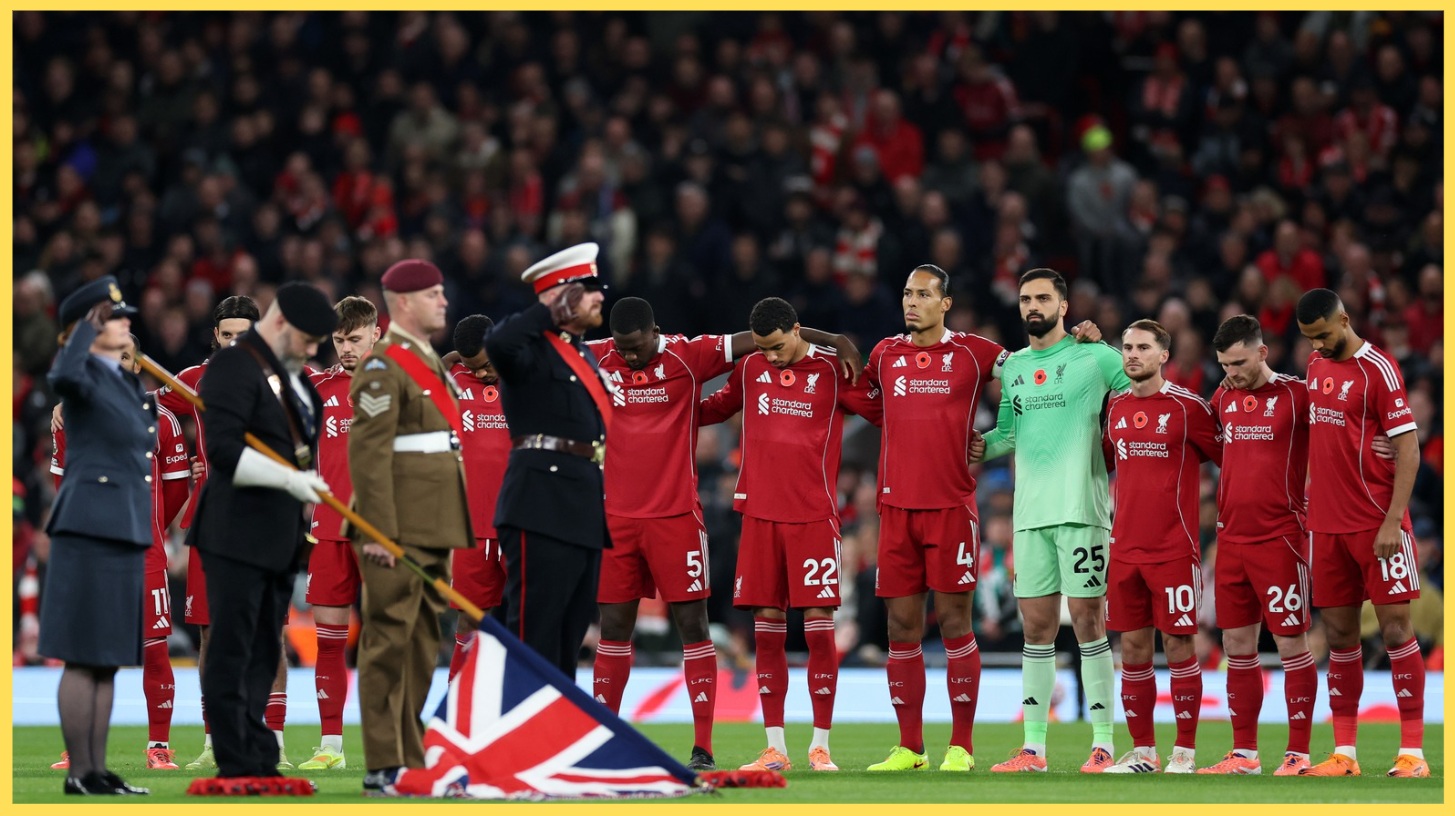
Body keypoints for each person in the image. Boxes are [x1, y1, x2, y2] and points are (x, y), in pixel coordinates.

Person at [587, 296, 862, 773]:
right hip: (625, 519)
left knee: (702, 626)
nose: (630, 357)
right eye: (623, 349)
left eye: (638, 347)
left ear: (656, 331)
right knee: (615, 630)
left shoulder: (689, 355)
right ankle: (606, 739)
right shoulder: (597, 355)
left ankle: (722, 746)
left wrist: (832, 339)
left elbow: (766, 337)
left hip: (688, 518)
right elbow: (538, 347)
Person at [699, 297, 882, 773]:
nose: (772, 357)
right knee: (766, 632)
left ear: (797, 331)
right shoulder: (750, 368)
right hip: (759, 517)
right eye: (764, 349)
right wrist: (654, 404)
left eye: (779, 347)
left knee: (820, 630)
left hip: (814, 518)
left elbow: (885, 411)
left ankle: (820, 744)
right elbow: (712, 409)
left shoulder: (832, 371)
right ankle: (775, 745)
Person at [971, 267, 1130, 773]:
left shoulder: (1094, 356)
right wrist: (978, 447)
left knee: (1089, 621)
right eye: (1025, 299)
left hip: (1082, 510)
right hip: (1030, 514)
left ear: (1064, 306)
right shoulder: (1013, 367)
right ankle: (1033, 748)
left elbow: (1143, 388)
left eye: (1043, 298)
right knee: (1036, 629)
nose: (1032, 306)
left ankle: (1103, 743)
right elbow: (1009, 432)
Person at [189, 282, 335, 781]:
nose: (316, 350)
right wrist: (292, 479)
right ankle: (234, 762)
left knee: (263, 649)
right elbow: (223, 452)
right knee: (232, 647)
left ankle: (260, 755)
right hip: (233, 531)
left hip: (279, 536)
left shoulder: (294, 378)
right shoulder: (233, 365)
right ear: (282, 324)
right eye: (310, 339)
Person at [347, 259, 473, 796]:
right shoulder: (382, 366)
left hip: (432, 523)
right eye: (433, 294)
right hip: (395, 527)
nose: (444, 301)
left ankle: (408, 755)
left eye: (443, 293)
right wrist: (377, 531)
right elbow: (368, 454)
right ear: (403, 303)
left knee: (421, 644)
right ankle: (382, 762)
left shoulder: (427, 360)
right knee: (387, 641)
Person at [1295, 289, 1427, 778]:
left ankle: (1412, 753)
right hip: (1326, 526)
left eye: (1325, 335)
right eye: (1310, 339)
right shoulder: (1314, 366)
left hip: (1377, 523)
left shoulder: (1380, 369)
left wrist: (1394, 520)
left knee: (1396, 630)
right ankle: (1344, 754)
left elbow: (1408, 449)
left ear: (1345, 319)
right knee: (1340, 637)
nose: (1318, 346)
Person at [47, 333, 191, 773]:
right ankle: (82, 751)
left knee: (154, 651)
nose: (117, 362)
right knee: (88, 654)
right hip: (92, 553)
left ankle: (159, 746)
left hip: (144, 553)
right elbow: (62, 484)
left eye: (124, 355)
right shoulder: (71, 415)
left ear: (137, 363)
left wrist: (146, 529)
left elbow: (176, 487)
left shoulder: (161, 419)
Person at [42, 277, 153, 796]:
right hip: (89, 524)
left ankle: (97, 770)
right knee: (83, 652)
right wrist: (80, 336)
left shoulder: (121, 378)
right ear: (86, 327)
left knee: (107, 655)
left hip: (124, 522)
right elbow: (61, 374)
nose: (127, 320)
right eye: (114, 316)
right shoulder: (81, 370)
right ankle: (77, 772)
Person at [154, 296, 273, 770]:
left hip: (267, 512)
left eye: (243, 334)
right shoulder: (195, 380)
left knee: (268, 631)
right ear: (216, 338)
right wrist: (69, 401)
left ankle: (270, 737)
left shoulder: (281, 379)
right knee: (209, 632)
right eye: (227, 335)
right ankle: (214, 739)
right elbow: (142, 402)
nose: (234, 343)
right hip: (215, 513)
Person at [1100, 320, 1221, 774]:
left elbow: (1232, 457)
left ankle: (1185, 753)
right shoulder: (1114, 408)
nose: (1132, 354)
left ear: (1163, 355)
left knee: (1178, 647)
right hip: (1125, 549)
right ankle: (1144, 751)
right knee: (1131, 649)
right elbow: (1106, 463)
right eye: (1127, 347)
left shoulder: (1189, 408)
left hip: (1174, 548)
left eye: (1143, 347)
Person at [485, 243, 611, 678]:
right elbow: (498, 343)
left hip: (582, 503)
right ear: (562, 296)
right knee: (532, 632)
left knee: (569, 635)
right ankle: (519, 740)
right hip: (539, 502)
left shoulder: (583, 352)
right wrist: (547, 311)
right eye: (589, 289)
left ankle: (556, 740)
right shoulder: (530, 347)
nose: (600, 296)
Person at [1201, 315, 1318, 775]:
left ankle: (1299, 753)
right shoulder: (1223, 397)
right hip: (1231, 540)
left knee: (1291, 644)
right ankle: (1245, 753)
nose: (1231, 372)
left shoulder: (1297, 395)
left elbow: (1340, 433)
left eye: (1239, 362)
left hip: (1281, 539)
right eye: (1224, 365)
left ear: (1263, 352)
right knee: (1237, 645)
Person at [297, 296, 381, 772]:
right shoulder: (316, 385)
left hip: (384, 534)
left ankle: (391, 742)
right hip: (329, 530)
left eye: (354, 338)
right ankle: (331, 744)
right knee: (330, 640)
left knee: (387, 638)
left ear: (376, 333)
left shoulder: (402, 383)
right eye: (339, 340)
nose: (346, 348)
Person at [443, 315, 511, 679]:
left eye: (486, 365)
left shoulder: (526, 375)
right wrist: (450, 362)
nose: (483, 375)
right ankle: (457, 715)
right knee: (467, 619)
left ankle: (535, 713)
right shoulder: (454, 380)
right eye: (474, 368)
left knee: (534, 620)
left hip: (520, 521)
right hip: (471, 525)